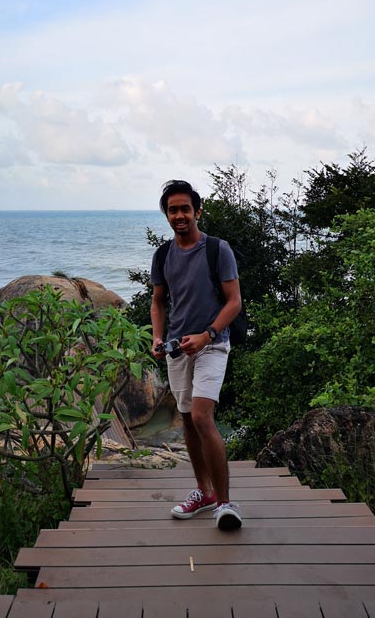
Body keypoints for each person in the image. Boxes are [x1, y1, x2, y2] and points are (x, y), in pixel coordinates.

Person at [150, 179, 243, 530]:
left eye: (185, 209)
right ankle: (203, 493)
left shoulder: (217, 249)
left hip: (213, 344)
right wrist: (158, 338)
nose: (179, 215)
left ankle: (225, 503)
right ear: (167, 215)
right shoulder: (163, 255)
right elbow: (159, 302)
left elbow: (234, 302)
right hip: (177, 348)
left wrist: (207, 335)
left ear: (197, 211)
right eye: (172, 210)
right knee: (187, 419)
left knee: (203, 417)